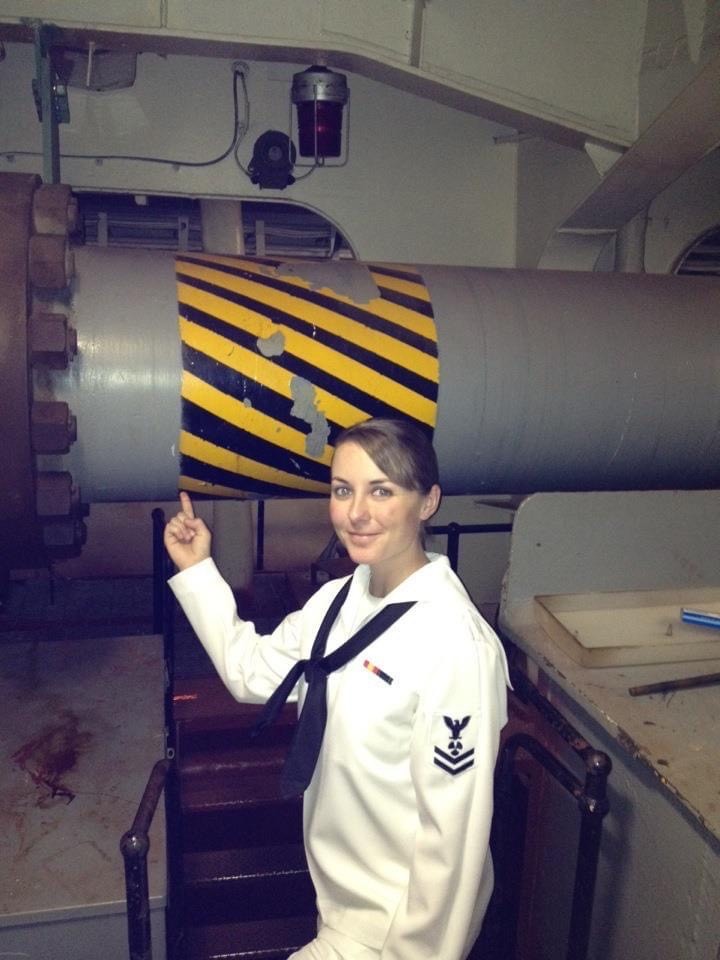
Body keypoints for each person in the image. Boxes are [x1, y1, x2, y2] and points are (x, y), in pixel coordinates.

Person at [164, 417, 510, 960]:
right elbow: (250, 671)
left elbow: (454, 842)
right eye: (343, 490)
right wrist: (197, 571)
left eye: (382, 491)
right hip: (337, 905)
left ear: (428, 502)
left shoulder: (454, 644)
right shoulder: (337, 603)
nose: (356, 513)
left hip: (393, 929)